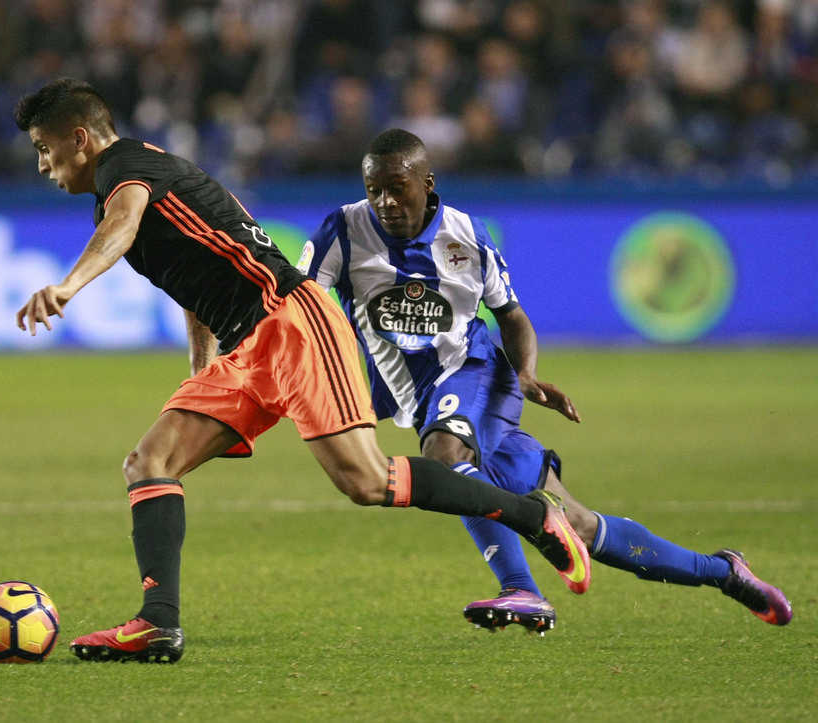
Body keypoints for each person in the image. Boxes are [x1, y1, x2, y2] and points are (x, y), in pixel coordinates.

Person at [11, 78, 591, 664]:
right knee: (149, 462)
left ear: (80, 138)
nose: (41, 164)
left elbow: (123, 225)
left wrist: (67, 285)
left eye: (43, 146)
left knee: (367, 482)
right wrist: (200, 370)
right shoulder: (141, 176)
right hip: (248, 348)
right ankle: (157, 623)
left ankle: (535, 515)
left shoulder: (125, 169)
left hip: (292, 322)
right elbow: (191, 276)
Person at [300, 128, 792, 634]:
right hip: (423, 399)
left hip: (476, 374)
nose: (384, 201)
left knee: (445, 460)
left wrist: (528, 374)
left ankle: (522, 589)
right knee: (579, 525)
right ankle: (724, 572)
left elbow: (510, 315)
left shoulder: (466, 235)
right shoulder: (342, 230)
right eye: (373, 188)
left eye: (396, 187)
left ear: (427, 182)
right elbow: (299, 305)